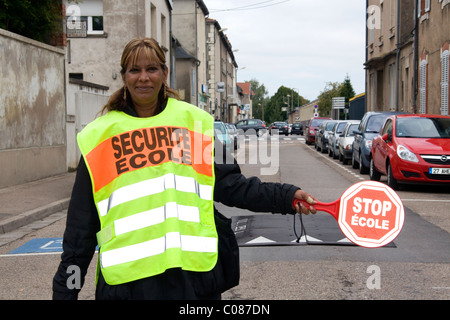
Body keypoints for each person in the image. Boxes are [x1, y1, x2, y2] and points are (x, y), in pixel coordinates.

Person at [52, 38, 317, 300]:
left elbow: (234, 186)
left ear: (164, 73)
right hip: (127, 287)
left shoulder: (197, 123)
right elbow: (79, 232)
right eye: (135, 70)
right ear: (124, 76)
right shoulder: (99, 136)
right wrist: (67, 290)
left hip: (192, 281)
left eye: (151, 69)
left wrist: (286, 196)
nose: (143, 77)